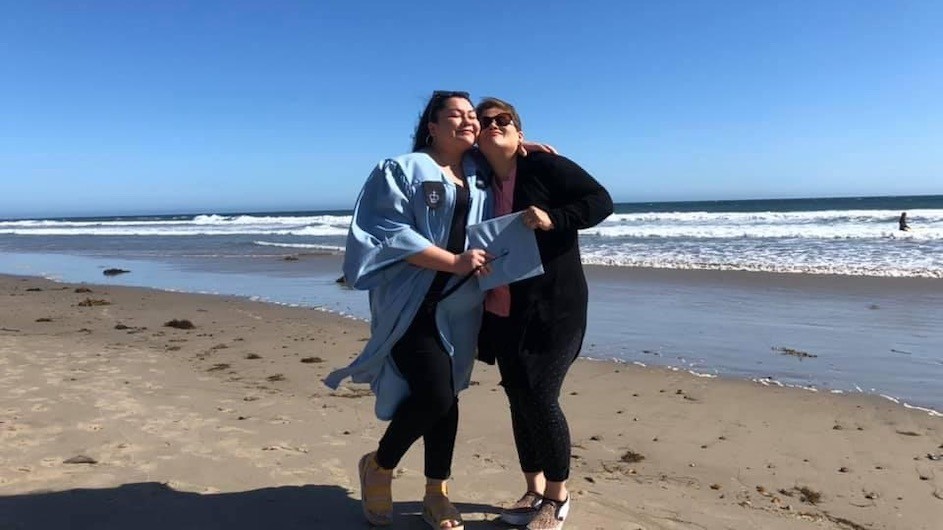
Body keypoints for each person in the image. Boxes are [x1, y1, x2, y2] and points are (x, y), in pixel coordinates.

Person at [324, 90, 493, 529]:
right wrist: (452, 261)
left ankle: (437, 492)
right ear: (432, 127)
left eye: (472, 115)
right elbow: (386, 230)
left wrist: (526, 146)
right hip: (412, 302)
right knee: (435, 394)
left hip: (461, 305)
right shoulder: (403, 169)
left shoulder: (480, 173)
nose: (467, 121)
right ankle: (380, 466)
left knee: (449, 394)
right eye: (454, 115)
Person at [474, 97, 613, 530]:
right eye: (485, 122)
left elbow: (601, 201)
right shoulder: (477, 179)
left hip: (555, 307)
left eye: (504, 121)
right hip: (501, 308)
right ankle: (533, 489)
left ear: (518, 130)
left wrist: (554, 218)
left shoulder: (545, 167)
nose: (493, 125)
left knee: (539, 395)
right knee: (517, 397)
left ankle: (558, 497)